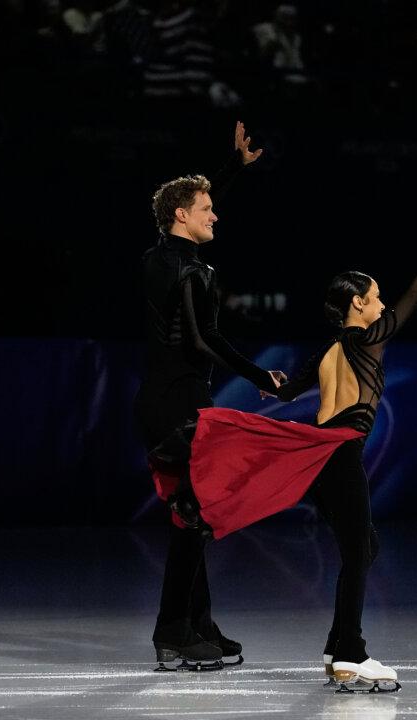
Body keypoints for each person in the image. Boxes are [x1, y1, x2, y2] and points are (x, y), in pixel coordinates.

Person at [151, 196, 417, 690]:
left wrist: (268, 381)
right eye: (376, 298)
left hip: (319, 457)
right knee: (359, 552)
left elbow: (284, 388)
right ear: (358, 305)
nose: (383, 306)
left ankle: (339, 644)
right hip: (340, 453)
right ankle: (349, 655)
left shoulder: (328, 350)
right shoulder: (367, 340)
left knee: (365, 547)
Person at [135, 121, 285, 671]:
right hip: (175, 405)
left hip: (170, 400)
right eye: (205, 210)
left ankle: (198, 622)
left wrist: (230, 171)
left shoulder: (160, 258)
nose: (214, 214)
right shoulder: (191, 270)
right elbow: (203, 339)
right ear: (182, 217)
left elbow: (188, 208)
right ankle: (173, 629)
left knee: (196, 515)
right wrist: (256, 375)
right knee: (193, 517)